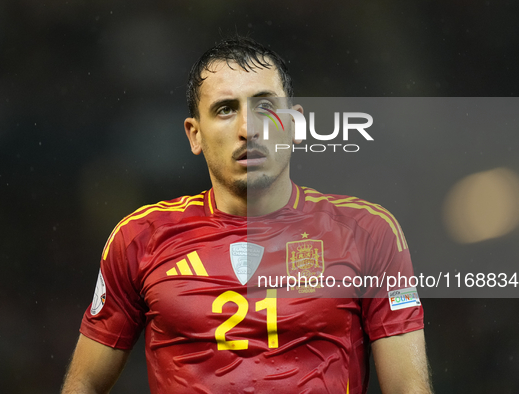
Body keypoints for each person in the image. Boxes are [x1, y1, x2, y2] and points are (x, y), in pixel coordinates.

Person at [61, 36, 433, 394]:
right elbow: (85, 385)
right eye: (225, 109)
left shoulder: (367, 232)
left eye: (265, 106)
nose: (248, 129)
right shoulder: (139, 238)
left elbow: (407, 388)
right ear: (195, 135)